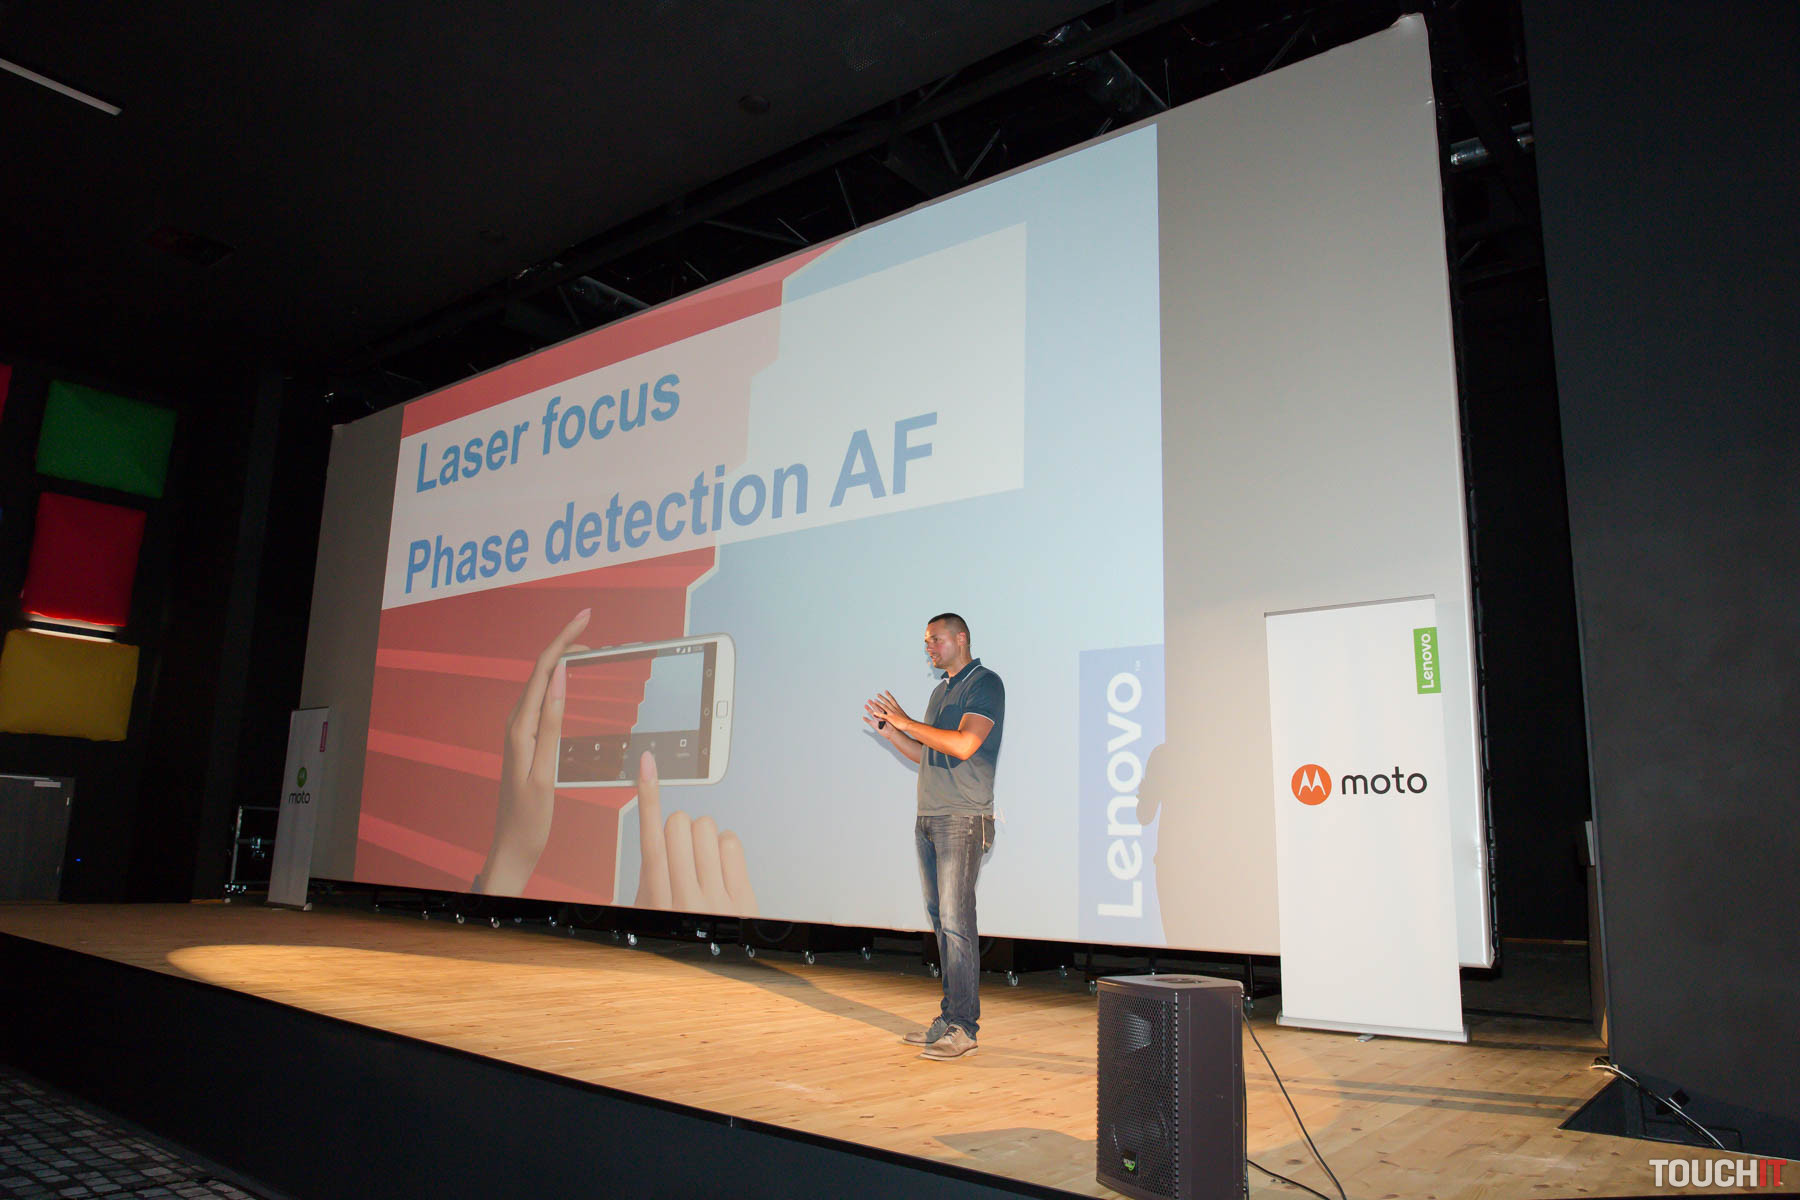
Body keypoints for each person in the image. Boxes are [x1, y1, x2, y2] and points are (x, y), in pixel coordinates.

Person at [864, 613, 1004, 1061]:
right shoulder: (939, 692)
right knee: (942, 921)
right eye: (926, 641)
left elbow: (963, 744)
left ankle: (964, 1027)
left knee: (957, 921)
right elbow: (926, 753)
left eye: (936, 639)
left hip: (962, 817)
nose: (929, 647)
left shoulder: (985, 683)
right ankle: (950, 1016)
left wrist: (908, 722)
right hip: (929, 817)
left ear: (960, 639)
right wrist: (893, 733)